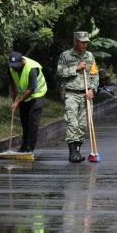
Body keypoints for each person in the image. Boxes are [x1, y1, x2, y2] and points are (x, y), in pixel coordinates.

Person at [56, 31, 98, 162]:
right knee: (72, 122)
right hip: (71, 93)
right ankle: (72, 152)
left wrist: (93, 89)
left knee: (84, 124)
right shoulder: (66, 55)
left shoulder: (90, 56)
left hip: (86, 94)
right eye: (82, 42)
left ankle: (78, 151)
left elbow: (95, 74)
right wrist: (76, 67)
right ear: (75, 42)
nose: (84, 44)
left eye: (86, 42)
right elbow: (60, 72)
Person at [7, 52, 47, 153]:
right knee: (24, 121)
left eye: (17, 66)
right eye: (13, 66)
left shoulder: (31, 69)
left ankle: (29, 148)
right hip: (24, 95)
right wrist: (13, 93)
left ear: (22, 61)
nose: (15, 68)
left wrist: (18, 102)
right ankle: (24, 146)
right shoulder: (12, 67)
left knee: (33, 122)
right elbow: (11, 81)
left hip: (37, 94)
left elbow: (31, 89)